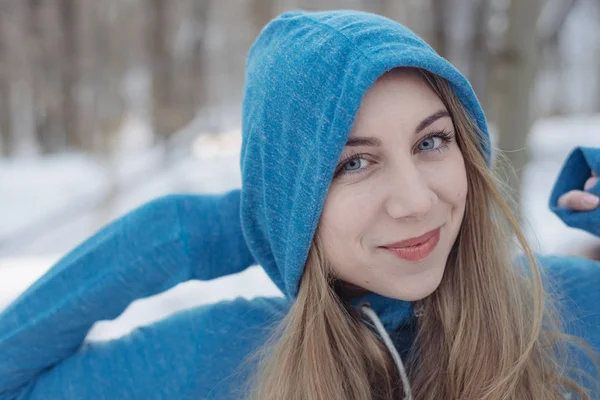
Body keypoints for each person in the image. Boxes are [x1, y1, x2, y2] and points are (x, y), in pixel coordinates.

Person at [1, 9, 599, 400]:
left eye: (431, 141)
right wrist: (190, 232)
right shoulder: (226, 357)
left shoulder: (559, 309)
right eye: (353, 163)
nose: (417, 201)